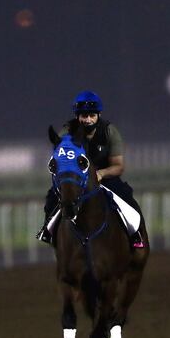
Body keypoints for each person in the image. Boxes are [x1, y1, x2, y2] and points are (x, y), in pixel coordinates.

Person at [37, 90, 145, 248]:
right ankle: (48, 231)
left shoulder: (109, 132)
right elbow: (60, 161)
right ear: (77, 116)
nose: (87, 120)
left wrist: (101, 173)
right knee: (52, 198)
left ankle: (135, 234)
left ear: (98, 115)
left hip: (105, 178)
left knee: (127, 196)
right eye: (83, 116)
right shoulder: (66, 132)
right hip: (76, 178)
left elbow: (118, 166)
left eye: (91, 115)